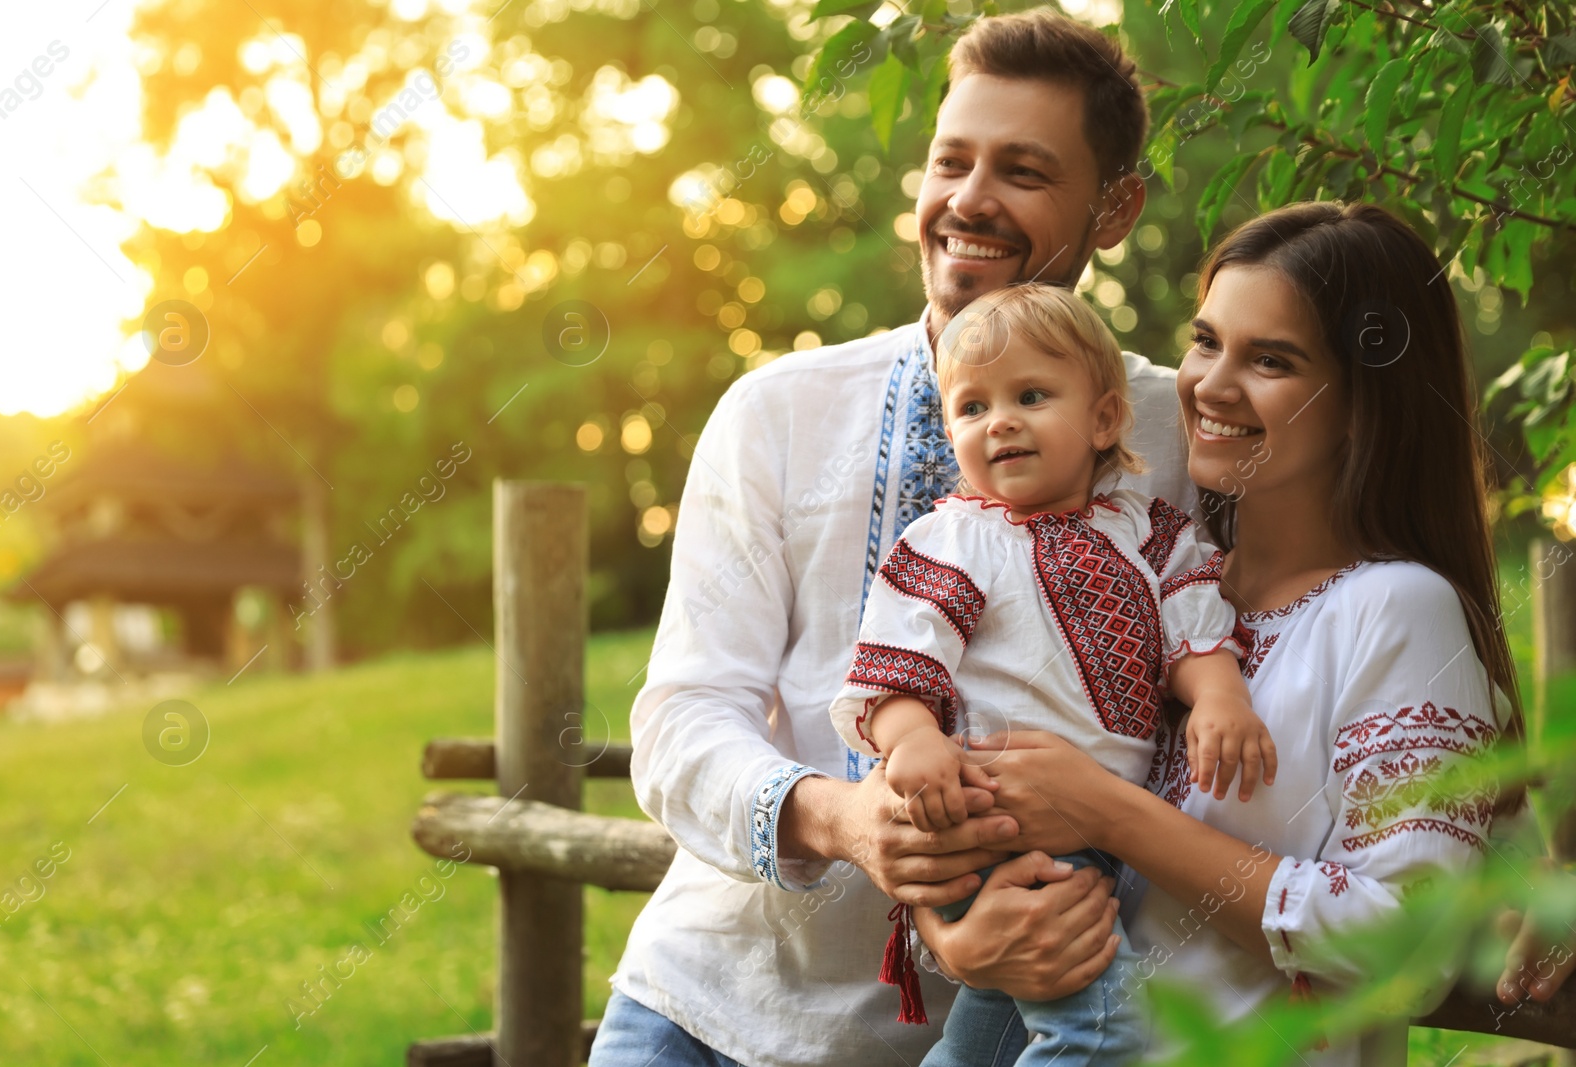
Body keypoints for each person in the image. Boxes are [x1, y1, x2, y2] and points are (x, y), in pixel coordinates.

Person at [588, 11, 1176, 1066]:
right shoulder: (777, 412)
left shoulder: (1175, 436)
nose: (968, 200)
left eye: (1024, 171)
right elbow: (682, 723)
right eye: (950, 160)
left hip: (1019, 1033)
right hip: (716, 1020)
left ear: (1115, 207)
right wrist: (844, 818)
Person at [911, 201, 1525, 1066]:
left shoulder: (1399, 606)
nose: (1210, 384)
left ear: (1362, 401)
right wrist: (958, 935)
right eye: (1207, 341)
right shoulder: (1164, 576)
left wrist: (1110, 811)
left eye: (1271, 360)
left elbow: (1407, 944)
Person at [827, 283, 1274, 1064]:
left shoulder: (1144, 530)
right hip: (1001, 822)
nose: (999, 420)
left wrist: (1219, 695)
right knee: (1103, 1028)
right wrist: (911, 742)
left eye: (1031, 395)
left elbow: (1194, 627)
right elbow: (899, 668)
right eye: (972, 407)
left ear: (1103, 418)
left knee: (990, 1028)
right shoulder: (951, 542)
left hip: (1094, 831)